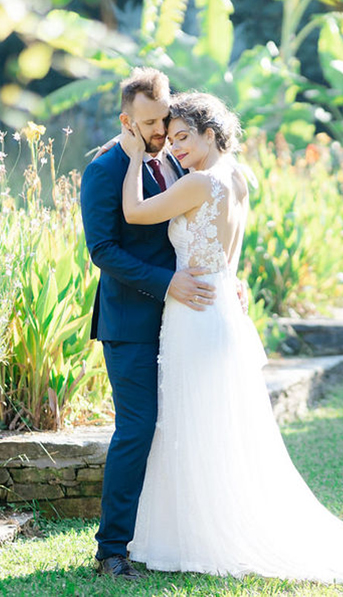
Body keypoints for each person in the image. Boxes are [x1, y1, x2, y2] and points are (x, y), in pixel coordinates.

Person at [119, 92, 343, 583]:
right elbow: (229, 250)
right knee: (214, 422)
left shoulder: (199, 182)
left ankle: (201, 536)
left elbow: (135, 213)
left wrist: (136, 154)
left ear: (210, 134)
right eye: (172, 139)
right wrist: (234, 280)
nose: (175, 148)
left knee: (194, 421)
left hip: (194, 310)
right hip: (219, 303)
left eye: (183, 137)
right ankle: (200, 528)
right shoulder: (238, 176)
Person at [80, 68, 228, 580]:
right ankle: (111, 550)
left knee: (181, 425)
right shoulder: (104, 169)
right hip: (130, 323)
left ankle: (170, 536)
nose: (162, 131)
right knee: (137, 428)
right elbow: (102, 249)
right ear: (127, 122)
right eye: (149, 123)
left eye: (165, 118)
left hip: (180, 323)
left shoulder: (174, 162)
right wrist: (168, 283)